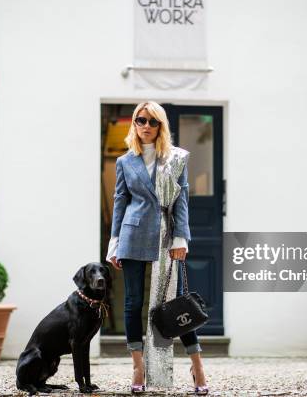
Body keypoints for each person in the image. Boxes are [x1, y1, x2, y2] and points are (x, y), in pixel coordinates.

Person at [105, 101, 209, 395]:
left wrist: (181, 238)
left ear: (161, 126)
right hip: (133, 235)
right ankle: (138, 365)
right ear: (134, 124)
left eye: (153, 122)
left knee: (176, 304)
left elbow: (182, 201)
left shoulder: (175, 159)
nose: (146, 126)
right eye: (141, 120)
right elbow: (120, 202)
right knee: (132, 302)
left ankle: (197, 364)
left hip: (167, 237)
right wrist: (114, 243)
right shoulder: (125, 161)